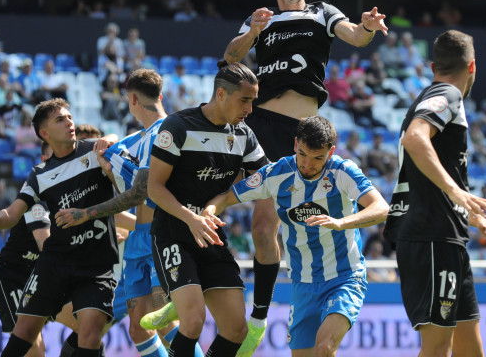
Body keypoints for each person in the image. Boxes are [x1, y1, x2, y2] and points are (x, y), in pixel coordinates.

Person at [220, 0, 388, 354]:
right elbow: (231, 58)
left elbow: (355, 36)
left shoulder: (322, 12)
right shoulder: (262, 18)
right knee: (258, 226)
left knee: (281, 224)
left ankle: (293, 303)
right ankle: (256, 314)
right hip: (259, 127)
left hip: (302, 134)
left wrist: (366, 26)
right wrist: (253, 32)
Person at [202, 115, 390, 357]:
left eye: (318, 158)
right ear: (295, 145)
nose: (308, 164)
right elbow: (228, 196)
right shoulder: (276, 174)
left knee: (324, 349)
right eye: (302, 154)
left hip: (344, 277)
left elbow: (382, 208)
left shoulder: (342, 171)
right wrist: (209, 211)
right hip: (303, 283)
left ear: (330, 152)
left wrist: (342, 222)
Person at [383, 30, 486, 357]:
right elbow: (414, 139)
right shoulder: (447, 95)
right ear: (472, 67)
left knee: (470, 347)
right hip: (430, 237)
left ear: (431, 65)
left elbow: (435, 170)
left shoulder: (432, 97)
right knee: (439, 346)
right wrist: (457, 193)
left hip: (448, 236)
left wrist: (473, 216)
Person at [53, 69, 194, 357]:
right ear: (160, 95)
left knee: (162, 318)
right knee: (139, 327)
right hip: (139, 241)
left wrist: (85, 213)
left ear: (131, 99)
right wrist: (108, 155)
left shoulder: (165, 133)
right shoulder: (138, 137)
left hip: (162, 236)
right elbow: (123, 186)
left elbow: (140, 193)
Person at [0, 98, 122, 357]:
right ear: (45, 133)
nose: (69, 122)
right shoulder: (39, 174)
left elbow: (117, 138)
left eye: (69, 117)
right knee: (26, 335)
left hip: (96, 266)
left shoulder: (95, 153)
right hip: (54, 265)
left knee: (91, 333)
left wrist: (111, 137)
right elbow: (12, 213)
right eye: (60, 120)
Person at [145, 63, 268, 357]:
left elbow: (265, 178)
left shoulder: (244, 135)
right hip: (174, 233)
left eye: (253, 101)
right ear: (221, 94)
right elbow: (154, 188)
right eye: (245, 100)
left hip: (211, 236)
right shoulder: (178, 126)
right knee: (192, 322)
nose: (250, 109)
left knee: (237, 329)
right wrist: (191, 219)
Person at [0, 148, 52, 357]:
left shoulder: (65, 200)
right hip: (9, 278)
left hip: (32, 279)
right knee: (34, 348)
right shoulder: (37, 203)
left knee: (83, 326)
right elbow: (46, 246)